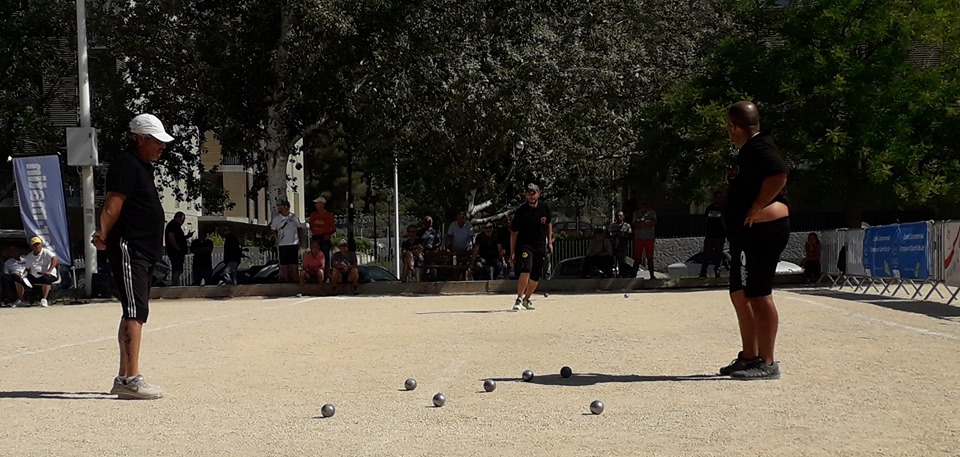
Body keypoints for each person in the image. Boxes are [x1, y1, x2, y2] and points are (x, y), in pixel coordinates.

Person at [92, 113, 172, 400]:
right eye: (157, 141)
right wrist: (103, 234)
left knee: (133, 309)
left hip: (143, 249)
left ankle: (125, 376)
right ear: (140, 138)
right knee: (135, 311)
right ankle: (131, 380)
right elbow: (112, 207)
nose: (162, 147)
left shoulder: (142, 166)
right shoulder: (126, 163)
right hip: (131, 247)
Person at [718, 101, 790, 380]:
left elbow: (779, 173)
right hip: (744, 235)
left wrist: (757, 207)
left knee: (759, 295)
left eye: (729, 127)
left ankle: (767, 361)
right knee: (740, 293)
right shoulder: (749, 151)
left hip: (763, 231)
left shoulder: (760, 146)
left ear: (734, 126)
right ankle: (749, 356)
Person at [510, 183, 552, 311]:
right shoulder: (521, 211)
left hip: (540, 245)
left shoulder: (545, 208)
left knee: (536, 274)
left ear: (539, 194)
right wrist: (512, 251)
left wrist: (550, 242)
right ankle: (518, 298)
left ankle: (527, 299)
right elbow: (514, 232)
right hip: (525, 245)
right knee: (526, 269)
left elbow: (549, 224)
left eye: (534, 193)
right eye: (529, 193)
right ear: (526, 195)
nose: (531, 196)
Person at [269, 200, 304, 284]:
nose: (285, 208)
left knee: (294, 262)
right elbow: (273, 229)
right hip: (283, 244)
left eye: (287, 207)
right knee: (284, 263)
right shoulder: (277, 218)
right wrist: (278, 235)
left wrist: (300, 240)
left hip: (293, 243)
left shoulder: (294, 217)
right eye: (283, 206)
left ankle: (295, 278)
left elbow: (299, 228)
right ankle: (286, 279)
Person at [23, 237, 59, 307]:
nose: (37, 246)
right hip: (35, 276)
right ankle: (23, 300)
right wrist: (24, 275)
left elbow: (54, 259)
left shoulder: (46, 252)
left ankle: (44, 299)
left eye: (38, 244)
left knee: (46, 279)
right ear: (31, 246)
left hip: (48, 275)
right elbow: (27, 268)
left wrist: (49, 271)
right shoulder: (29, 256)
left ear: (41, 244)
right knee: (20, 280)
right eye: (34, 245)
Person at [700, 191, 726, 278]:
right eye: (716, 197)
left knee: (718, 255)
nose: (718, 198)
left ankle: (717, 272)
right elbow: (706, 219)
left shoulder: (724, 208)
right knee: (706, 254)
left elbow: (725, 221)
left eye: (720, 197)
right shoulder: (709, 208)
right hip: (710, 235)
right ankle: (703, 272)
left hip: (720, 236)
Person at [307, 196, 336, 272]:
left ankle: (326, 274)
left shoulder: (329, 215)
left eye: (317, 203)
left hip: (325, 238)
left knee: (325, 257)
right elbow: (311, 225)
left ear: (322, 204)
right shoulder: (313, 214)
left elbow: (333, 228)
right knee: (314, 255)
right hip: (316, 238)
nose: (316, 205)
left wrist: (326, 234)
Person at [631, 199, 657, 279]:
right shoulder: (636, 213)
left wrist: (642, 223)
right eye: (642, 204)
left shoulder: (652, 213)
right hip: (639, 238)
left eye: (645, 204)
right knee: (637, 258)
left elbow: (653, 222)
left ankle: (652, 275)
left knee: (650, 258)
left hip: (649, 238)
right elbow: (635, 224)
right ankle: (634, 275)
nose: (644, 206)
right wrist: (646, 223)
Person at [164, 211, 191, 286]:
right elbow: (171, 237)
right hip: (175, 252)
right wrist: (178, 248)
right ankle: (174, 285)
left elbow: (178, 238)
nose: (183, 221)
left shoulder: (175, 226)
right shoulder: (173, 225)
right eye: (183, 219)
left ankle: (175, 284)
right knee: (177, 270)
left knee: (178, 270)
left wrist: (186, 237)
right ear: (179, 218)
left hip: (176, 251)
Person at [607, 211, 632, 277]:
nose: (619, 217)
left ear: (623, 217)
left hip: (622, 247)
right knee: (612, 262)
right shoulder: (612, 226)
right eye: (617, 216)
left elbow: (629, 236)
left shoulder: (627, 226)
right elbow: (609, 235)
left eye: (620, 216)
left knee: (622, 263)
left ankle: (622, 275)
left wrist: (622, 235)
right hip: (613, 247)